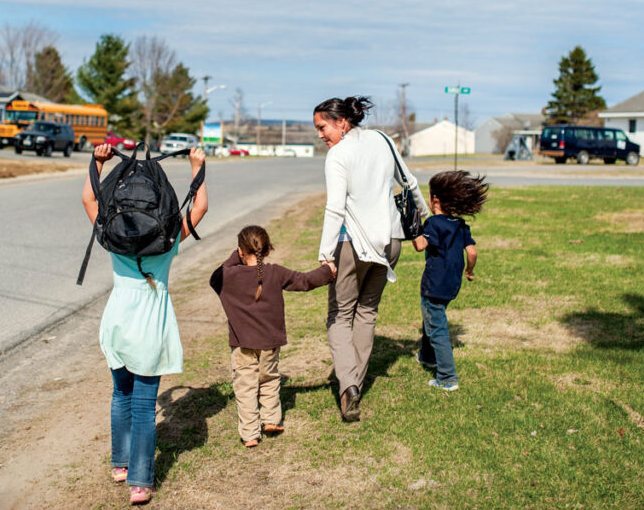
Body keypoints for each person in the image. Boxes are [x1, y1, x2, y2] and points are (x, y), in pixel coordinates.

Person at [81, 143, 208, 506]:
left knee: (120, 395)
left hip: (116, 326)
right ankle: (140, 481)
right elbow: (200, 206)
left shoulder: (111, 236)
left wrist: (98, 162)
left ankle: (120, 465)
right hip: (150, 330)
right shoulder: (167, 240)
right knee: (143, 406)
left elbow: (89, 200)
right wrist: (197, 166)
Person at [313, 96, 429, 422]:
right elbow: (411, 183)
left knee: (339, 315)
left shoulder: (338, 155)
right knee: (367, 312)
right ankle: (355, 386)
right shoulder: (383, 140)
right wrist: (428, 220)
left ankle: (347, 384)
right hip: (391, 242)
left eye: (323, 127)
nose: (321, 135)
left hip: (352, 245)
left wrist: (326, 255)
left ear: (342, 123)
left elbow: (335, 208)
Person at [209, 225, 336, 447]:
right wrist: (327, 271)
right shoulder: (275, 272)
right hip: (270, 342)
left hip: (242, 344)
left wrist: (236, 255)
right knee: (269, 378)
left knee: (245, 386)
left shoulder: (228, 275)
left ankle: (250, 434)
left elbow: (215, 276)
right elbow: (304, 280)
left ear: (240, 251)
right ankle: (271, 419)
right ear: (268, 250)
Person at [412, 170, 488, 391]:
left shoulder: (434, 223)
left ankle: (447, 378)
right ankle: (427, 356)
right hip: (452, 284)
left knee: (437, 328)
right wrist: (470, 271)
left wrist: (413, 226)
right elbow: (472, 252)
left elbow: (420, 246)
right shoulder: (460, 224)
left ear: (435, 199)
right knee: (432, 318)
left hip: (433, 284)